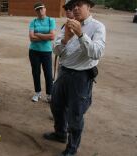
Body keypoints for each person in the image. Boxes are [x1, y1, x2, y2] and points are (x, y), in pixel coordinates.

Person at [43, 0, 106, 155]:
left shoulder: (97, 27)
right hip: (63, 73)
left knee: (75, 114)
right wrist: (65, 39)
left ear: (89, 6)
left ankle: (72, 147)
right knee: (56, 106)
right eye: (73, 6)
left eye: (80, 4)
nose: (75, 8)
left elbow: (96, 53)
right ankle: (60, 134)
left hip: (81, 77)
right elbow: (57, 51)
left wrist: (80, 34)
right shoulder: (67, 25)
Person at [28, 2, 56, 103]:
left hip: (46, 52)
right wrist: (45, 37)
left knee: (48, 73)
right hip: (34, 51)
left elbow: (52, 36)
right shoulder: (33, 22)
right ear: (36, 11)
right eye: (38, 9)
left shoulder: (51, 20)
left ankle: (49, 94)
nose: (40, 11)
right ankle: (37, 92)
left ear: (45, 9)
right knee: (36, 72)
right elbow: (31, 38)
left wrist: (38, 34)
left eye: (41, 9)